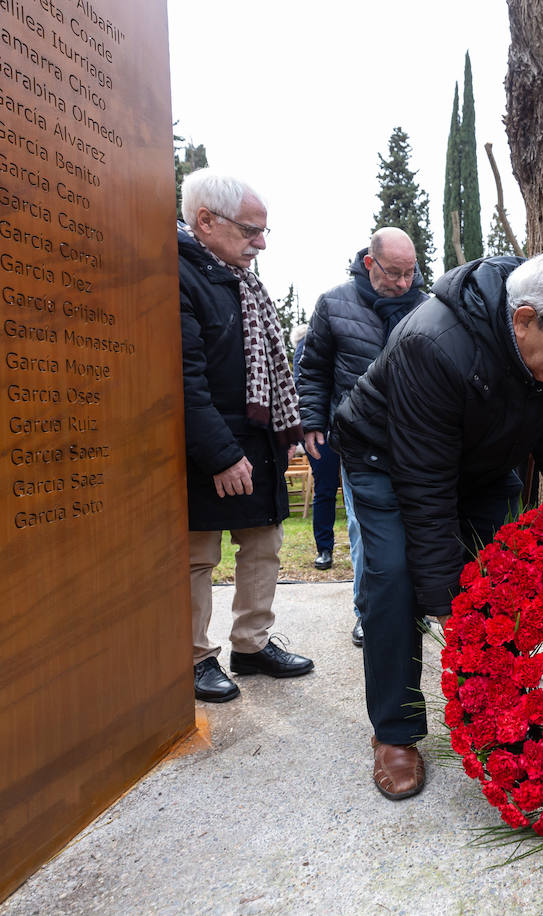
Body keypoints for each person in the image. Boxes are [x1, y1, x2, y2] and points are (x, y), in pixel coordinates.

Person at [330, 251, 543, 801]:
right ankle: (396, 732)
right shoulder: (432, 342)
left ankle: (498, 703)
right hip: (387, 459)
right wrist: (444, 596)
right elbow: (425, 484)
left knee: (501, 568)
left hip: (477, 461)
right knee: (397, 578)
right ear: (524, 319)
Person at [178, 169, 314, 704]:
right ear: (206, 222)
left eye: (264, 231)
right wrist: (219, 454)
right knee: (197, 554)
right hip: (205, 449)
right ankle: (193, 657)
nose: (260, 242)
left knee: (264, 544)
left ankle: (251, 646)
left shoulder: (242, 278)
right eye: (249, 230)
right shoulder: (180, 276)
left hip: (256, 441)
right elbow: (182, 380)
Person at [296, 228, 427, 648]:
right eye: (394, 273)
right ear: (370, 264)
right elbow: (313, 369)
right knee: (363, 530)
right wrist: (312, 420)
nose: (403, 283)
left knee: (415, 530)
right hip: (357, 441)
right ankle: (367, 613)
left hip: (415, 443)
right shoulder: (334, 304)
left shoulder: (427, 307)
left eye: (410, 273)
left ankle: (412, 609)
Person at [290, 327, 343, 575]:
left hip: (348, 422)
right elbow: (304, 386)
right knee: (325, 489)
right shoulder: (306, 344)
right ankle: (324, 548)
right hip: (321, 429)